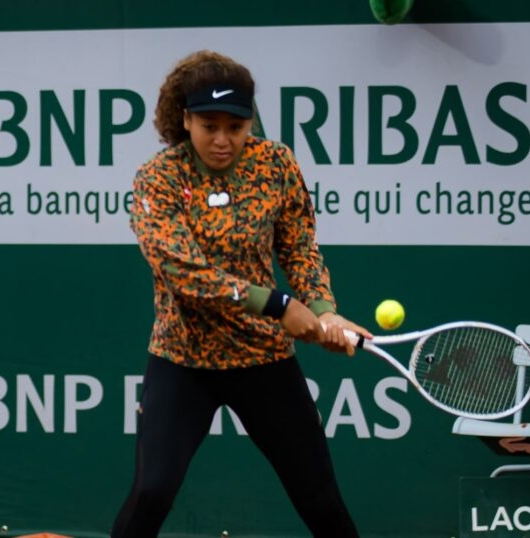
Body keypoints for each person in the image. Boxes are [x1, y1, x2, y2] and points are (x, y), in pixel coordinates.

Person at [110, 50, 371, 537]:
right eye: (210, 126)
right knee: (150, 494)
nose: (224, 140)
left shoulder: (276, 164)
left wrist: (323, 310)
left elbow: (299, 247)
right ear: (185, 120)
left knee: (321, 500)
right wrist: (279, 305)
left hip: (263, 362)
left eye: (236, 125)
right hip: (183, 361)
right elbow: (183, 272)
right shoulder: (159, 177)